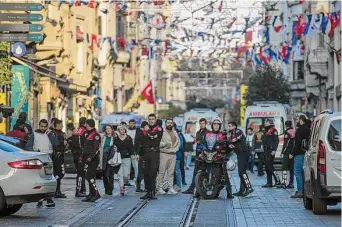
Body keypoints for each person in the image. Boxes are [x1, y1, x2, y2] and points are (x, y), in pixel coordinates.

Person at [27, 119, 59, 208]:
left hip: (48, 159)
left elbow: (56, 143)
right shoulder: (34, 134)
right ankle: (40, 199)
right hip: (38, 159)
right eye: (42, 126)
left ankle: (49, 199)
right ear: (39, 125)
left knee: (48, 179)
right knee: (39, 179)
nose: (43, 128)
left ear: (47, 126)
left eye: (45, 126)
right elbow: (29, 146)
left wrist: (50, 135)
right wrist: (34, 152)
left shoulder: (50, 134)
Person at [205, 118, 233, 199]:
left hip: (220, 157)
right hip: (208, 156)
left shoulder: (223, 135)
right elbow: (204, 144)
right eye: (214, 124)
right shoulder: (207, 134)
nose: (216, 126)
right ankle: (198, 191)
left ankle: (229, 192)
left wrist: (223, 149)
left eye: (218, 124)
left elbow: (228, 145)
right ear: (212, 125)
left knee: (224, 174)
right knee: (201, 170)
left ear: (220, 126)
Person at [183, 118, 209, 195]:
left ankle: (202, 189)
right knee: (195, 173)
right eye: (200, 123)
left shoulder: (208, 133)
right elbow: (198, 143)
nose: (202, 125)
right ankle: (191, 188)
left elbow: (207, 144)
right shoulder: (198, 132)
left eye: (203, 123)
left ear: (205, 124)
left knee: (203, 173)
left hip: (205, 156)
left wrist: (203, 149)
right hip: (198, 155)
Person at [140, 114, 163, 200]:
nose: (151, 121)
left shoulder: (159, 129)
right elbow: (140, 139)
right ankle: (148, 192)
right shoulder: (144, 129)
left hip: (154, 153)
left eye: (153, 119)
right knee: (146, 173)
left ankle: (152, 192)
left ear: (155, 120)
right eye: (149, 119)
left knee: (152, 173)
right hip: (146, 153)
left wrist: (147, 130)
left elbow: (153, 136)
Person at [227, 121, 253, 197]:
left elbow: (235, 139)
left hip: (244, 153)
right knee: (240, 172)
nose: (228, 127)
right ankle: (242, 190)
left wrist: (229, 141)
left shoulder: (238, 131)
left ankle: (249, 187)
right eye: (228, 126)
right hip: (239, 154)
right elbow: (231, 144)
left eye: (230, 126)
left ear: (234, 126)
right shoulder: (231, 134)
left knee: (242, 172)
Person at [157, 119, 180, 195]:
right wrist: (165, 144)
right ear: (165, 123)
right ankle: (159, 188)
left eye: (171, 123)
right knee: (162, 172)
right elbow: (158, 143)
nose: (169, 124)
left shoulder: (175, 132)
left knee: (171, 173)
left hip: (173, 154)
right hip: (164, 154)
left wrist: (175, 149)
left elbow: (178, 143)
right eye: (168, 123)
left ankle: (170, 188)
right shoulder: (162, 132)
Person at [290, 115, 310, 198]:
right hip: (306, 153)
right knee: (303, 172)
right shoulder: (309, 129)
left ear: (301, 120)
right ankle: (303, 190)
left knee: (297, 172)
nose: (296, 121)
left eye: (297, 120)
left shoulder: (299, 130)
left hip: (299, 153)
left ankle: (300, 191)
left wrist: (292, 153)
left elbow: (297, 143)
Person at [82, 119, 101, 202]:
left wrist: (90, 157)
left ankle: (96, 193)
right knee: (90, 177)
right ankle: (91, 194)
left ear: (88, 124)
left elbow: (96, 148)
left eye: (86, 124)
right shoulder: (87, 133)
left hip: (93, 159)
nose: (85, 125)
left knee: (88, 176)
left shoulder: (95, 135)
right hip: (86, 159)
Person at [69, 117, 87, 197]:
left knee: (80, 172)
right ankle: (79, 190)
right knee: (81, 173)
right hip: (81, 155)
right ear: (85, 123)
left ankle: (82, 189)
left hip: (75, 155)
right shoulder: (85, 131)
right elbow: (84, 144)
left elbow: (71, 143)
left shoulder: (75, 131)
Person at [114, 125, 134, 196]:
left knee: (126, 174)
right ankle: (121, 188)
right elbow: (114, 147)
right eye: (120, 129)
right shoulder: (116, 138)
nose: (122, 130)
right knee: (120, 174)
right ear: (118, 130)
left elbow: (131, 147)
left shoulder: (129, 138)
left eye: (123, 129)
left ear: (125, 130)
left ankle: (124, 183)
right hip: (119, 158)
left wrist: (132, 155)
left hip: (127, 157)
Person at [262, 118, 280, 188]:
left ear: (270, 123)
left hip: (271, 151)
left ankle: (278, 181)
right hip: (266, 150)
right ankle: (269, 183)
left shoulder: (273, 130)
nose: (265, 123)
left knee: (270, 166)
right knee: (267, 167)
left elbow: (276, 141)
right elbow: (264, 139)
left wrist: (274, 150)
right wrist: (262, 145)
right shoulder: (266, 130)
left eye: (266, 122)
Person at [51, 120, 67, 198]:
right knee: (60, 173)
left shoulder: (55, 133)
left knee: (58, 173)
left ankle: (57, 190)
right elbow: (57, 145)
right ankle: (56, 191)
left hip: (57, 156)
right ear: (57, 125)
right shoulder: (56, 134)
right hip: (58, 157)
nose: (62, 126)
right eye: (61, 125)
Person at [277, 121, 295, 189]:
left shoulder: (287, 133)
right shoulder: (293, 131)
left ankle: (284, 183)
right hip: (292, 153)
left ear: (285, 125)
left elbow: (286, 143)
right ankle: (291, 183)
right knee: (291, 168)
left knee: (284, 167)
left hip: (287, 152)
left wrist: (282, 152)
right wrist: (292, 153)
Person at [134, 121, 149, 193]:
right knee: (141, 172)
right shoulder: (140, 134)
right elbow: (136, 145)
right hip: (141, 154)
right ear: (144, 126)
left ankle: (145, 187)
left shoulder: (146, 133)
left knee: (145, 171)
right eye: (147, 126)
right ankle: (138, 187)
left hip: (146, 154)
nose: (148, 127)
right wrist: (137, 154)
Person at [101, 125, 115, 195]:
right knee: (104, 174)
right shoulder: (103, 137)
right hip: (103, 158)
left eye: (109, 128)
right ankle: (106, 188)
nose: (108, 130)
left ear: (112, 129)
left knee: (110, 174)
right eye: (107, 129)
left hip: (111, 158)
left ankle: (110, 189)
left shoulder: (115, 138)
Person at [127, 119, 139, 186]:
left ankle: (136, 180)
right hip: (127, 152)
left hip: (134, 152)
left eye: (133, 123)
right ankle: (126, 181)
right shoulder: (126, 131)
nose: (132, 124)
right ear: (129, 124)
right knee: (127, 168)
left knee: (136, 167)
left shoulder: (137, 131)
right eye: (130, 123)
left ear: (135, 124)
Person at [174, 123, 186, 192]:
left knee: (177, 171)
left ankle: (179, 185)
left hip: (177, 155)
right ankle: (173, 185)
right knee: (171, 172)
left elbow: (181, 146)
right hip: (170, 155)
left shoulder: (179, 135)